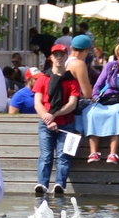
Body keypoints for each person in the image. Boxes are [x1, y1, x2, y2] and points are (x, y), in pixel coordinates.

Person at [33, 38, 82, 196]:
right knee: (46, 156)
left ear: (66, 57)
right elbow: (38, 103)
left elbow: (72, 104)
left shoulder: (72, 81)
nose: (59, 58)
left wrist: (54, 115)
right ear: (51, 58)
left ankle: (60, 184)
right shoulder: (43, 78)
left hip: (66, 124)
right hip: (46, 124)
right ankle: (42, 183)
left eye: (62, 55)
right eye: (56, 55)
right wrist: (48, 119)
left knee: (63, 156)